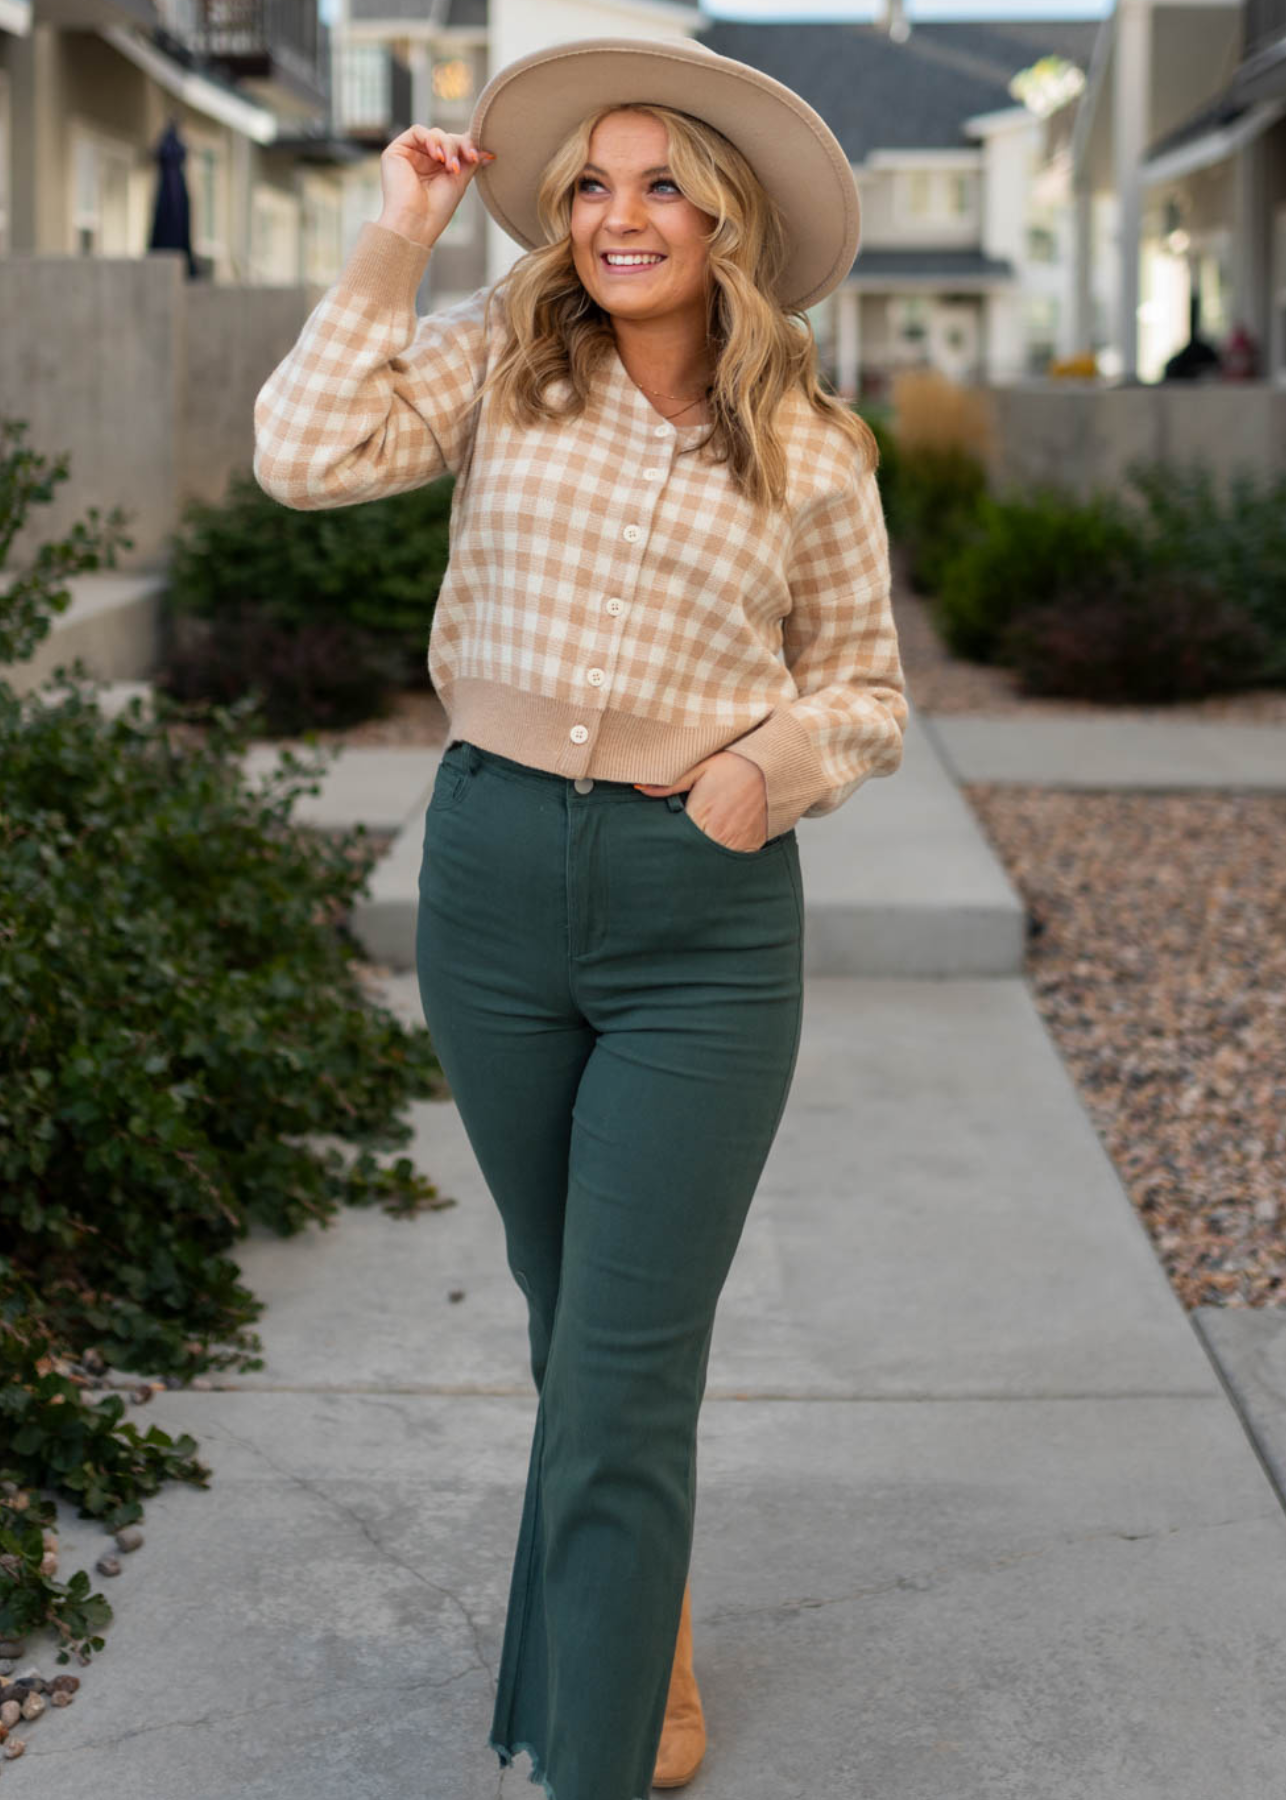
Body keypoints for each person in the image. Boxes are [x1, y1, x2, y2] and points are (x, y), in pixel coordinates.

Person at [253, 34, 908, 1800]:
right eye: (592, 186)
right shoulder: (498, 371)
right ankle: (652, 1619)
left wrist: (769, 765)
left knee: (624, 1360)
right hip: (489, 882)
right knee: (571, 1321)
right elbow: (301, 455)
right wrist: (396, 235)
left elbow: (864, 686)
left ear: (726, 215)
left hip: (699, 913)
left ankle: (592, 1755)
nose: (621, 216)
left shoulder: (810, 448)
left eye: (661, 181)